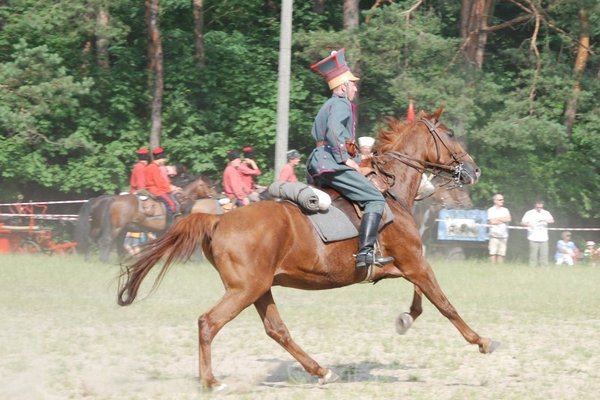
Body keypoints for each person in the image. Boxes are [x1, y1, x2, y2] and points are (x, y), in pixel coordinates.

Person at [307, 48, 394, 269]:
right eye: (352, 83)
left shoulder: (326, 106)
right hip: (332, 161)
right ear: (343, 86)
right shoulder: (341, 104)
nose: (355, 87)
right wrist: (345, 158)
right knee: (375, 199)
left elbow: (317, 133)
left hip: (319, 162)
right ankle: (365, 253)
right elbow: (335, 132)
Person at [145, 147, 180, 226]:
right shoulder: (154, 168)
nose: (164, 160)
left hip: (151, 189)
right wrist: (170, 189)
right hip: (155, 190)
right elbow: (159, 183)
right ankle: (169, 226)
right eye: (163, 158)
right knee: (172, 204)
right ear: (159, 158)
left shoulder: (149, 166)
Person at [521, 200, 555, 267]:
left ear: (542, 206)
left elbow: (552, 220)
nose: (539, 208)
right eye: (538, 207)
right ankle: (532, 267)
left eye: (541, 207)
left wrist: (544, 220)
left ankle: (544, 267)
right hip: (533, 237)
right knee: (533, 255)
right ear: (535, 206)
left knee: (544, 255)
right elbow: (522, 222)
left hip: (544, 238)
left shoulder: (546, 213)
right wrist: (528, 224)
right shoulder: (529, 213)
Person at [487, 194, 512, 264]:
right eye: (500, 200)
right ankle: (492, 268)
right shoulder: (491, 210)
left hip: (504, 236)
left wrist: (497, 219)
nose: (502, 201)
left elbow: (509, 219)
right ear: (495, 201)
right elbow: (492, 221)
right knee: (493, 253)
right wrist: (503, 220)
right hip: (494, 235)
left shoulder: (505, 210)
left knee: (501, 253)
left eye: (503, 199)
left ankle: (500, 268)